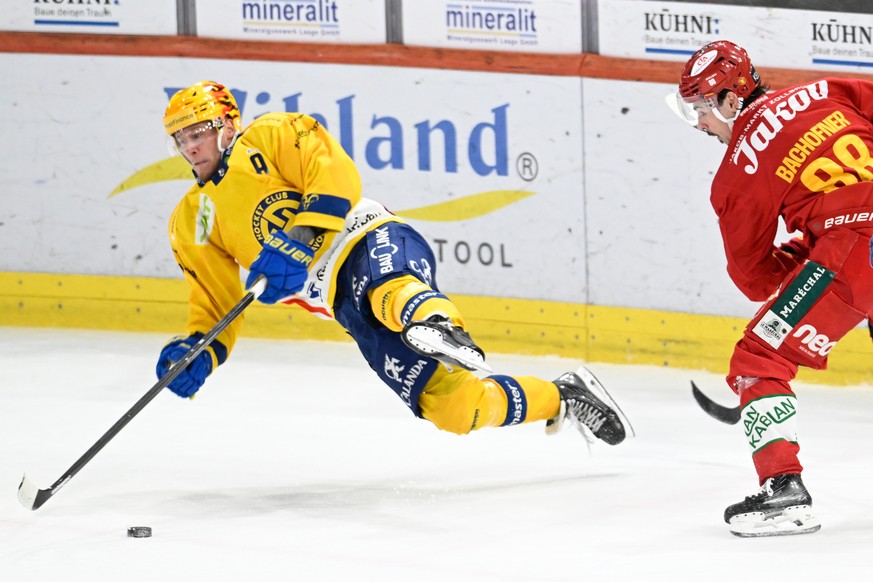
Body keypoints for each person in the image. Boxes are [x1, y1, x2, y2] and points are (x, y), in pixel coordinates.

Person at [155, 80, 630, 449]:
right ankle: (563, 395)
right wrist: (199, 350)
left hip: (367, 237)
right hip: (339, 303)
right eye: (181, 139)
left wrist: (301, 237)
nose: (191, 147)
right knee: (454, 410)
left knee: (388, 292)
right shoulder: (190, 220)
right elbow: (216, 301)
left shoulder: (274, 133)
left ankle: (439, 325)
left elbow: (335, 173)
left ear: (228, 126)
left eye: (199, 133)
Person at [670, 40, 873, 537]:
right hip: (849, 243)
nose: (699, 124)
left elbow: (754, 278)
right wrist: (823, 233)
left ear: (729, 100)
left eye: (701, 108)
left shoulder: (738, 172)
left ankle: (783, 491)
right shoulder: (825, 91)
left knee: (758, 358)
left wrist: (809, 252)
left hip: (856, 254)